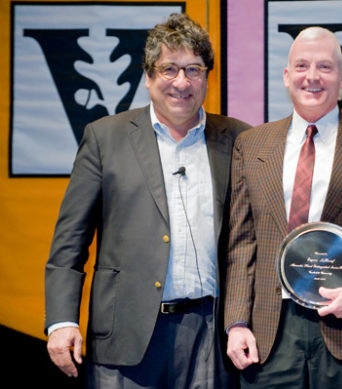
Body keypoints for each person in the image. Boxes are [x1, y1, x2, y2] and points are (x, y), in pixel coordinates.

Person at [44, 13, 250, 388]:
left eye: (193, 69)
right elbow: (69, 243)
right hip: (126, 332)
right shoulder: (105, 138)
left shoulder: (239, 139)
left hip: (211, 335)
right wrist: (62, 321)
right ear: (148, 75)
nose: (182, 82)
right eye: (169, 69)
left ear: (207, 76)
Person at [224, 26, 342, 388]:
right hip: (270, 331)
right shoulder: (251, 145)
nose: (312, 76)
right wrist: (236, 323)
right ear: (286, 76)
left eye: (325, 67)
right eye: (301, 66)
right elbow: (241, 243)